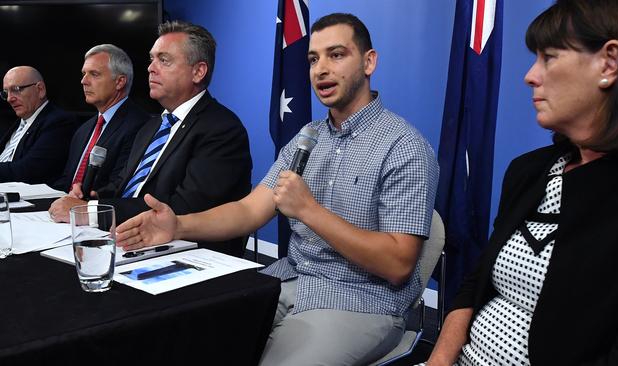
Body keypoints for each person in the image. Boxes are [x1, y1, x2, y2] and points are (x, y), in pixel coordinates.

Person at [116, 13, 439, 365]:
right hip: (287, 281)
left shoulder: (404, 146)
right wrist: (179, 225)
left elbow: (398, 263)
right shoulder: (307, 139)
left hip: (361, 300)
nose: (321, 70)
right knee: (189, 338)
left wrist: (309, 211)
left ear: (369, 61)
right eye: (314, 59)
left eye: (337, 55)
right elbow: (248, 210)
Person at [424, 1, 618, 365]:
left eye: (549, 57)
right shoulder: (529, 170)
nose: (530, 75)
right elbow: (476, 282)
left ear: (609, 64)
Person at [49, 21, 252, 257]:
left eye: (163, 60)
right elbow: (125, 186)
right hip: (128, 240)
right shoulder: (151, 125)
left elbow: (183, 209)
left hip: (185, 256)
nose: (150, 68)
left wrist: (91, 211)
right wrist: (94, 196)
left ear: (198, 72)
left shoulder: (222, 128)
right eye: (151, 59)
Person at [51, 44, 149, 193]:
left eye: (94, 74)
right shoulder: (83, 130)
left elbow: (118, 187)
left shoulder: (140, 125)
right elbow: (66, 181)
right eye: (84, 73)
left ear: (120, 81)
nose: (84, 81)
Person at [0, 66, 77, 184]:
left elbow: (28, 172)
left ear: (40, 89)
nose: (10, 98)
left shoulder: (59, 122)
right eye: (6, 93)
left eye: (16, 89)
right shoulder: (13, 124)